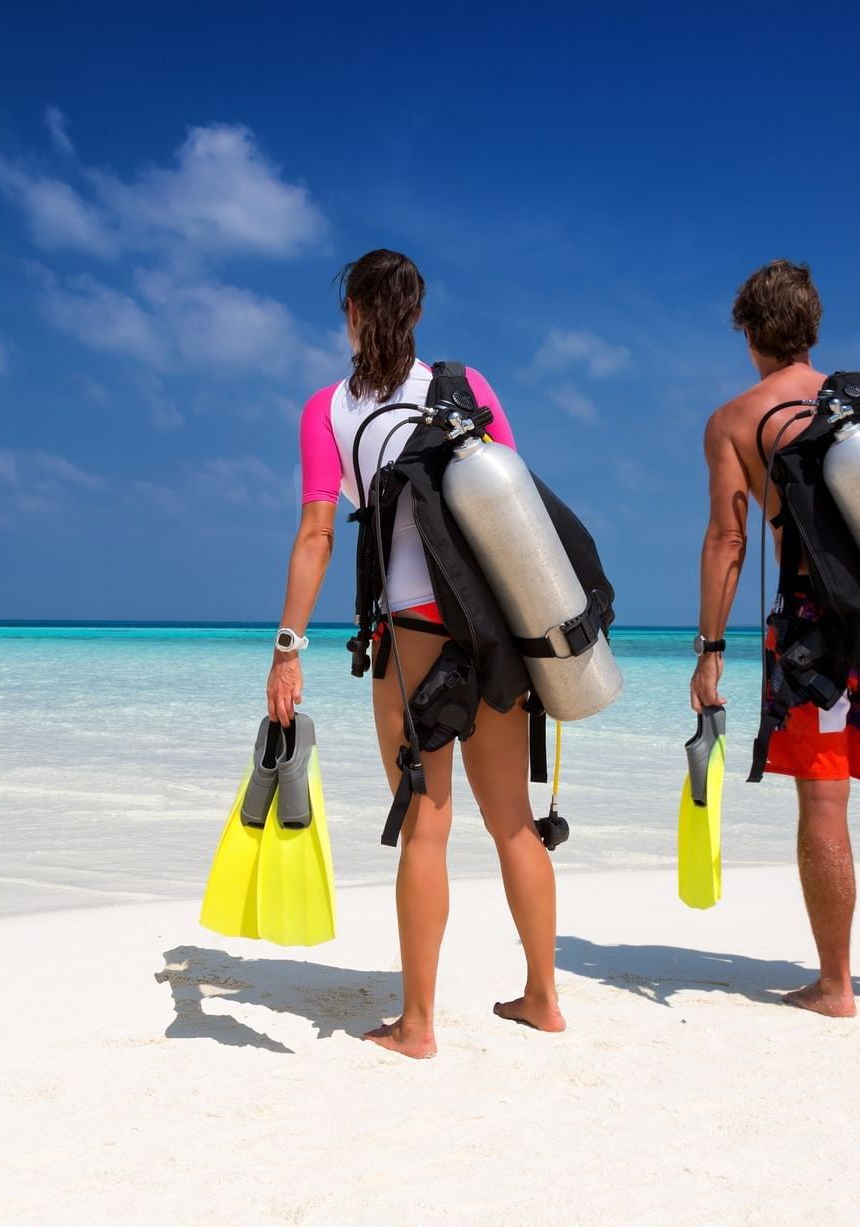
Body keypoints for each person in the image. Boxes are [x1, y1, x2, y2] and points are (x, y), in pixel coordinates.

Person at [265, 248, 563, 1058]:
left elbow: (318, 535)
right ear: (418, 314)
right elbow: (517, 508)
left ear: (352, 313)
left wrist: (288, 647)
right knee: (514, 825)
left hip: (414, 637)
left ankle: (420, 1025)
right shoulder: (468, 390)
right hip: (493, 629)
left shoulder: (328, 410)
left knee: (426, 830)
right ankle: (542, 997)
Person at [690, 259, 860, 1018]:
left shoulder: (737, 420)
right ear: (812, 324)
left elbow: (729, 541)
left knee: (824, 802)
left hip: (808, 632)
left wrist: (710, 650)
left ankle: (835, 984)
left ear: (749, 332)